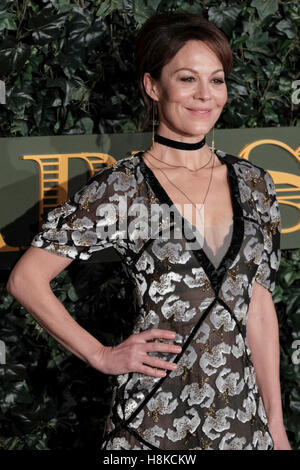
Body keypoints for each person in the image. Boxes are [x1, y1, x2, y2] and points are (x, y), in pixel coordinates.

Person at [7, 12, 291, 451]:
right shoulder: (121, 187)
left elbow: (258, 306)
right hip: (152, 423)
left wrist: (275, 424)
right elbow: (25, 279)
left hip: (242, 423)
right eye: (186, 79)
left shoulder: (255, 184)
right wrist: (102, 355)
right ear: (152, 86)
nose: (205, 96)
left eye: (216, 80)